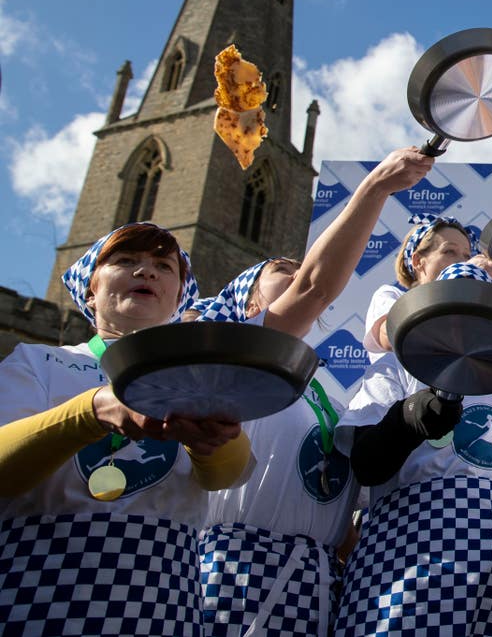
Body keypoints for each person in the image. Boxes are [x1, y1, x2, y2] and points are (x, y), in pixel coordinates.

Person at [197, 147, 436, 636]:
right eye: (278, 268)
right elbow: (314, 285)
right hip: (235, 573)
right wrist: (376, 188)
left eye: (296, 264)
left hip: (316, 579)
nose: (295, 267)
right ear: (250, 305)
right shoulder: (239, 358)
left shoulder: (327, 391)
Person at [0, 223, 250, 635]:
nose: (146, 271)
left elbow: (228, 476)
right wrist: (93, 410)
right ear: (90, 290)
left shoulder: (200, 381)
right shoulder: (37, 362)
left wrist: (212, 442)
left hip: (162, 606)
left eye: (163, 266)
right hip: (35, 596)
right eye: (126, 261)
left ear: (178, 298)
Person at [334, 260, 492, 636]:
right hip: (405, 564)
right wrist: (408, 418)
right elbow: (367, 464)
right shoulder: (396, 367)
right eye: (451, 307)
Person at [363, 212, 492, 365]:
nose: (461, 262)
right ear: (418, 260)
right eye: (449, 251)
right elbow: (392, 335)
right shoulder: (390, 296)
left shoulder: (473, 316)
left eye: (466, 256)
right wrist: (463, 272)